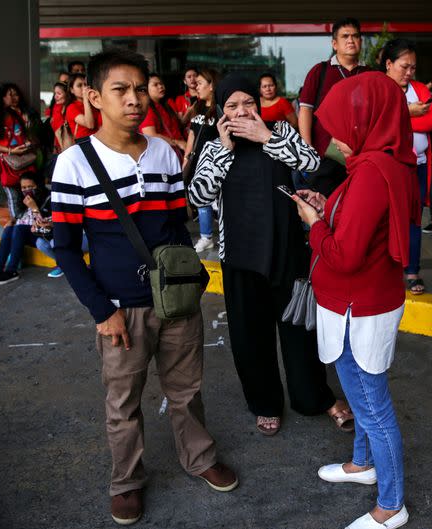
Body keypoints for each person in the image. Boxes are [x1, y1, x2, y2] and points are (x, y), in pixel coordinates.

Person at [51, 49, 237, 526]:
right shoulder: (73, 163)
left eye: (139, 89)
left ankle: (198, 457)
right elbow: (67, 249)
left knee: (186, 389)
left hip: (175, 300)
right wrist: (101, 311)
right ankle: (127, 482)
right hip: (119, 309)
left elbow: (176, 226)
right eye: (120, 90)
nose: (134, 100)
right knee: (123, 402)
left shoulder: (163, 153)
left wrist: (187, 284)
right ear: (95, 97)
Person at [187, 73, 354, 437]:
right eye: (232, 106)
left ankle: (314, 396)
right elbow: (196, 197)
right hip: (240, 257)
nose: (242, 111)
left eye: (248, 103)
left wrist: (267, 138)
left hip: (287, 250)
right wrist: (225, 152)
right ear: (221, 111)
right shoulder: (215, 144)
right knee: (250, 335)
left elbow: (311, 163)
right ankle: (264, 402)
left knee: (299, 329)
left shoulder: (279, 129)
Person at [291, 71, 417, 529]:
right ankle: (363, 463)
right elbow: (366, 230)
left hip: (357, 303)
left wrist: (313, 223)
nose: (337, 140)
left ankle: (391, 504)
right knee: (362, 392)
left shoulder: (369, 173)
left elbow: (343, 255)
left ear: (367, 122)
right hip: (367, 298)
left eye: (344, 127)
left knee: (371, 404)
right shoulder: (387, 163)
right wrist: (329, 209)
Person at [382, 38, 432, 296]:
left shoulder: (418, 89)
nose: (409, 72)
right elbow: (377, 123)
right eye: (404, 66)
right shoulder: (379, 88)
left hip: (417, 166)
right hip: (387, 169)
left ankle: (412, 270)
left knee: (414, 221)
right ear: (389, 64)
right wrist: (409, 112)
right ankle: (385, 271)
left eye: (413, 68)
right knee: (384, 219)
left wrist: (399, 116)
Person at [298, 17, 371, 196]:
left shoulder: (370, 74)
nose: (350, 40)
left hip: (361, 158)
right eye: (345, 36)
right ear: (334, 43)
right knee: (324, 213)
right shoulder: (320, 71)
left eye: (355, 36)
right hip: (325, 158)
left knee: (356, 214)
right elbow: (305, 110)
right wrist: (308, 150)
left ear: (360, 41)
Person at [0, 82, 37, 221]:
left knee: (29, 193)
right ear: (0, 98)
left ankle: (30, 222)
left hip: (24, 159)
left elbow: (21, 134)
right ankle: (20, 223)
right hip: (7, 163)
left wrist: (28, 142)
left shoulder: (13, 113)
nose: (12, 97)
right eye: (8, 95)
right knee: (14, 196)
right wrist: (10, 150)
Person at [182, 68, 220, 253]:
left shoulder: (220, 109)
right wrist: (186, 158)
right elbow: (192, 134)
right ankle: (206, 237)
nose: (196, 86)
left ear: (212, 85)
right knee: (201, 200)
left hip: (214, 163)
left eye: (200, 83)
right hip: (196, 162)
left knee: (220, 202)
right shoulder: (197, 107)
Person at [0, 173, 47, 285]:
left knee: (19, 229)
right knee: (9, 229)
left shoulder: (47, 198)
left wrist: (34, 207)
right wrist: (12, 220)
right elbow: (20, 216)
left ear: (38, 185)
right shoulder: (23, 199)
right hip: (23, 233)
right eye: (24, 187)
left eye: (31, 187)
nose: (27, 190)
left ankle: (12, 271)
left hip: (39, 233)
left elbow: (46, 223)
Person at [139, 73, 186, 157]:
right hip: (165, 155)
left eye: (161, 83)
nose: (160, 86)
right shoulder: (148, 109)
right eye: (155, 85)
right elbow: (150, 135)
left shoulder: (165, 105)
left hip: (176, 152)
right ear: (146, 89)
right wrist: (177, 143)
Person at [65, 73, 100, 139]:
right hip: (85, 144)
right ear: (72, 90)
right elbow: (90, 125)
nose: (84, 88)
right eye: (79, 85)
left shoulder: (94, 103)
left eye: (85, 85)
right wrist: (85, 99)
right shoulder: (71, 107)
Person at [48, 81, 73, 153]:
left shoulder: (71, 108)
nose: (55, 96)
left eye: (59, 93)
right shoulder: (56, 108)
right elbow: (58, 132)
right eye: (55, 93)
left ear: (67, 94)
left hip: (68, 147)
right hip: (62, 148)